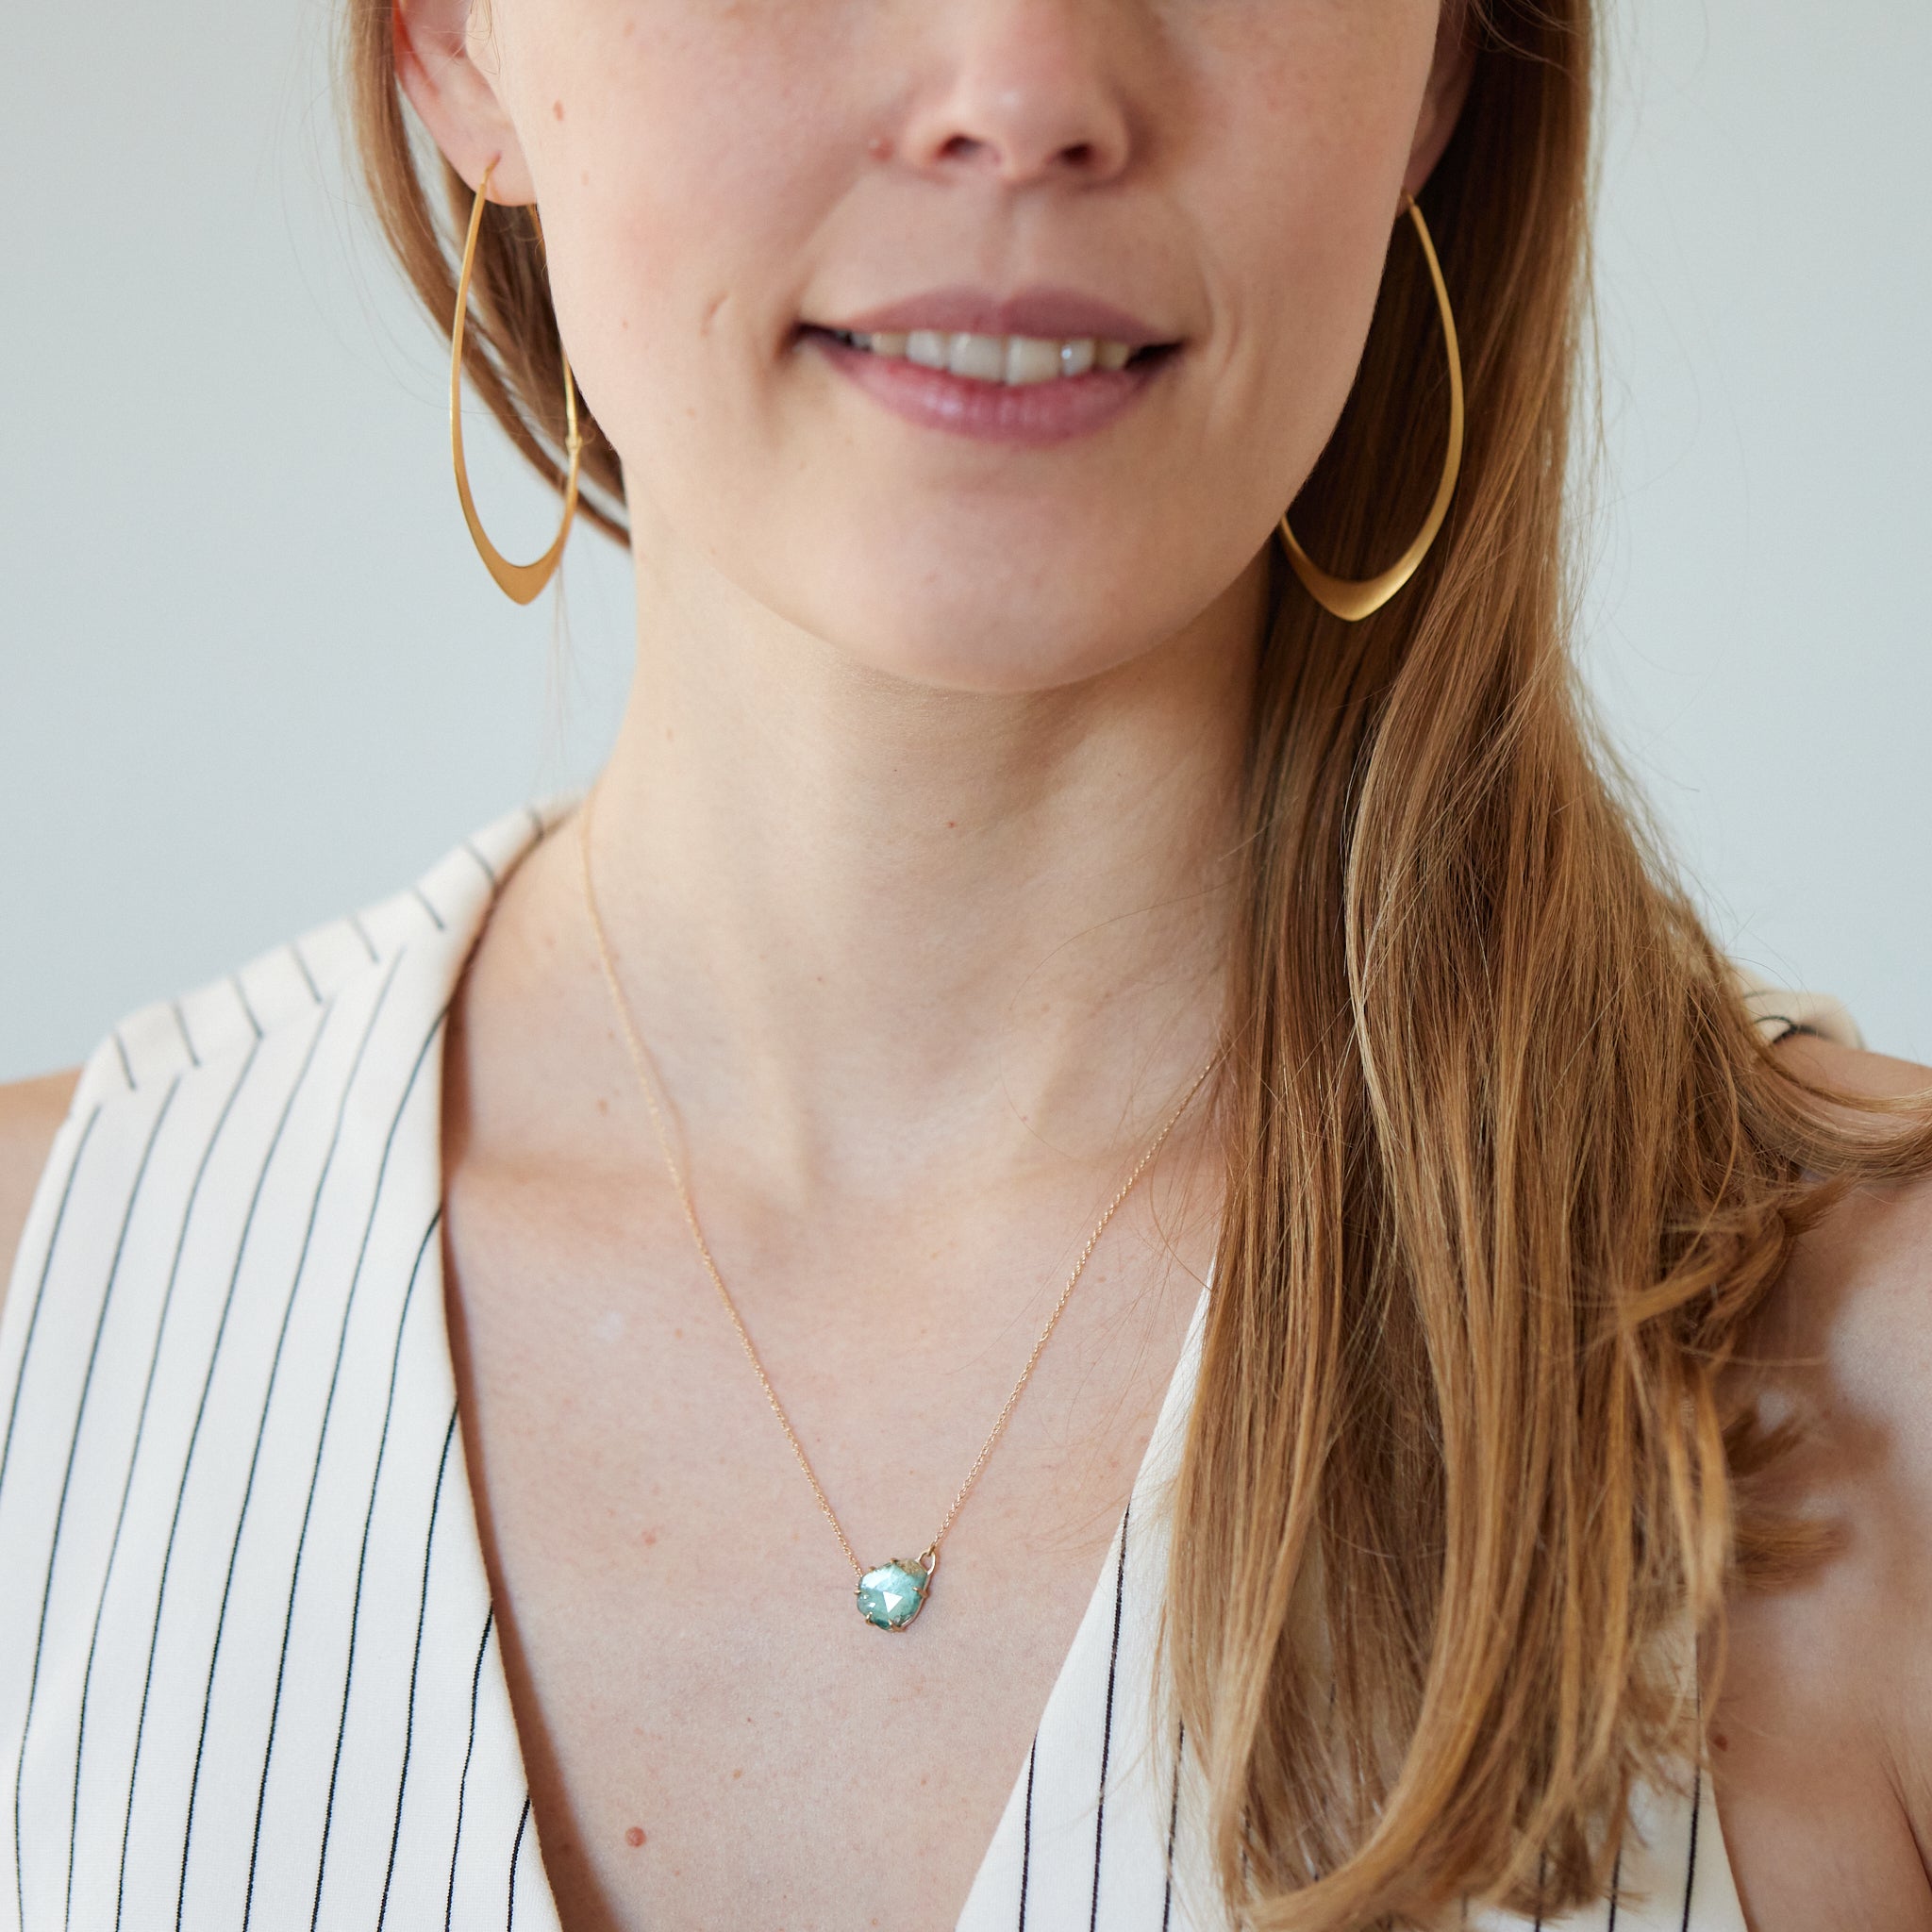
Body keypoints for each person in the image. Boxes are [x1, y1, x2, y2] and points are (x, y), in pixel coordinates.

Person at [3, 0, 1929, 1926]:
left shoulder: (1886, 1385)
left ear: (1438, 65)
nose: (1021, 98)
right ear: (450, 42)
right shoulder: (42, 1320)